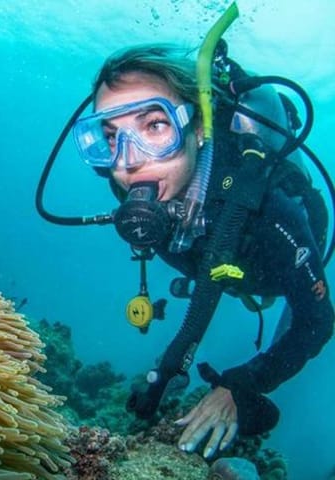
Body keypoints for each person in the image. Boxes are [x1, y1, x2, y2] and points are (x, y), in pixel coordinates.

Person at [69, 44, 334, 459]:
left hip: (274, 261)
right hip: (213, 263)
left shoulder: (267, 208)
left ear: (197, 130)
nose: (129, 163)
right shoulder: (134, 184)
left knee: (280, 298)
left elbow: (316, 322)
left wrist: (242, 384)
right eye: (111, 137)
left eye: (154, 126)